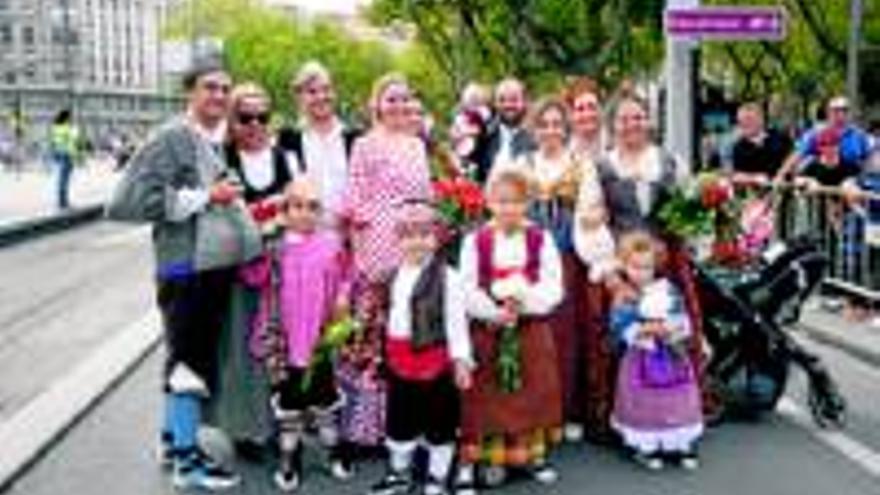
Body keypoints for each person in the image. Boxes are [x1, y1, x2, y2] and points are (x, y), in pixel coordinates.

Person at [105, 59, 243, 491]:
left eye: (225, 89)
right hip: (185, 267)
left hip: (208, 266)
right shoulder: (172, 137)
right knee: (188, 366)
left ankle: (172, 442)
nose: (219, 96)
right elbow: (127, 202)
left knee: (183, 358)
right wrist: (207, 196)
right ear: (190, 92)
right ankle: (189, 465)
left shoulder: (210, 139)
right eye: (209, 87)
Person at [575, 95, 710, 441]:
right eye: (624, 119)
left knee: (674, 336)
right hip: (622, 266)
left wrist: (689, 234)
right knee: (624, 340)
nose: (632, 125)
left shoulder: (670, 162)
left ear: (649, 121)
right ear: (613, 125)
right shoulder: (600, 167)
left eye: (638, 117)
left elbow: (693, 209)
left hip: (667, 266)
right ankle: (621, 417)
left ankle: (675, 416)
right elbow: (588, 220)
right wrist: (609, 273)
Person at [337, 73, 434, 471]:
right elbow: (353, 198)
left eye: (403, 99)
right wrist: (365, 247)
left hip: (411, 248)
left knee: (406, 341)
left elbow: (426, 196)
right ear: (376, 104)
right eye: (389, 99)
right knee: (368, 346)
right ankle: (362, 433)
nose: (396, 106)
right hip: (374, 251)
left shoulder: (416, 144)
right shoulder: (364, 144)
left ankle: (402, 425)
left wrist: (426, 235)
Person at [240, 178, 352, 491]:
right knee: (289, 407)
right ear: (285, 210)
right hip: (285, 344)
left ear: (321, 212)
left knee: (324, 403)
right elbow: (251, 277)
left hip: (320, 342)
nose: (305, 213)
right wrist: (259, 241)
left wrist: (343, 297)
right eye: (298, 206)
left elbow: (346, 276)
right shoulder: (275, 247)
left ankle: (333, 451)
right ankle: (289, 458)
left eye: (313, 207)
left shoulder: (331, 244)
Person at [456, 169, 564, 493]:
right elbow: (467, 287)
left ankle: (532, 454)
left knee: (533, 389)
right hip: (490, 328)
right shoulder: (476, 240)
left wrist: (525, 302)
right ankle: (492, 457)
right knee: (491, 393)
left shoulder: (540, 239)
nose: (509, 208)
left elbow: (553, 284)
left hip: (530, 327)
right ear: (489, 202)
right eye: (502, 201)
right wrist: (493, 311)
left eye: (517, 201)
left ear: (527, 203)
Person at [208, 82, 290, 462]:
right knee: (241, 348)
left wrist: (282, 212)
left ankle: (278, 425)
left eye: (262, 117)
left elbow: (303, 204)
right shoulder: (218, 159)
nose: (255, 124)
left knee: (279, 346)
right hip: (237, 268)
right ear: (232, 120)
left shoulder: (287, 158)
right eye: (245, 117)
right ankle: (244, 428)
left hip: (281, 267)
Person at [368, 201, 474, 495]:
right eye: (409, 234)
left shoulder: (449, 278)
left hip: (436, 362)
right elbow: (386, 318)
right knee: (400, 420)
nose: (417, 241)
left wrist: (462, 360)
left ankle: (436, 478)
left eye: (424, 234)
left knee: (439, 423)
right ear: (398, 239)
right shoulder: (392, 276)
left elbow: (456, 323)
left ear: (436, 238)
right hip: (399, 360)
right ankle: (399, 474)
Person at [513, 97, 585, 442]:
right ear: (534, 128)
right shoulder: (519, 164)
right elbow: (499, 203)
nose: (551, 130)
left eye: (557, 124)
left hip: (569, 259)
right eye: (544, 124)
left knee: (566, 336)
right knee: (533, 337)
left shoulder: (580, 163)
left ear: (566, 127)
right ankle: (535, 412)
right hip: (531, 261)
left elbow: (593, 212)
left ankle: (567, 410)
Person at [608, 231, 703, 470]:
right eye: (635, 267)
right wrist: (640, 330)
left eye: (647, 267)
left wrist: (672, 329)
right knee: (644, 400)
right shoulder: (624, 294)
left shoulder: (667, 289)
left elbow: (682, 317)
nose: (641, 273)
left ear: (655, 266)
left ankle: (680, 443)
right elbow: (618, 325)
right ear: (625, 265)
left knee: (678, 398)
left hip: (671, 351)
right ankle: (646, 446)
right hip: (641, 354)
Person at [278, 61, 361, 224]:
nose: (321, 97)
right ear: (299, 97)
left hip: (348, 235)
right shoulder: (288, 138)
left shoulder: (354, 137)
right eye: (312, 92)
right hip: (306, 236)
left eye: (326, 89)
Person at [776, 96, 873, 182]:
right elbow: (797, 154)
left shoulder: (859, 135)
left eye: (845, 110)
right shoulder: (816, 133)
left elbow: (869, 159)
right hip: (821, 177)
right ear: (828, 112)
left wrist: (864, 179)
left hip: (850, 177)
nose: (841, 114)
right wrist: (780, 176)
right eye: (836, 110)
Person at [472, 78, 535, 184]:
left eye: (514, 100)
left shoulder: (537, 137)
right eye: (502, 100)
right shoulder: (485, 136)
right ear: (495, 104)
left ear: (525, 102)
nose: (508, 105)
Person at [729, 102, 792, 183]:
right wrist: (754, 178)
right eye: (741, 120)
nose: (745, 123)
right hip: (755, 189)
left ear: (761, 119)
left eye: (749, 119)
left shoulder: (780, 138)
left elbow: (792, 162)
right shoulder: (739, 147)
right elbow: (736, 175)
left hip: (784, 185)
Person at [566, 77, 606, 163]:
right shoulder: (563, 152)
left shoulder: (615, 146)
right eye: (580, 109)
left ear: (600, 109)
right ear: (572, 115)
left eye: (592, 107)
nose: (587, 114)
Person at [49, 108, 81, 209]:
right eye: (70, 117)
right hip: (67, 154)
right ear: (66, 118)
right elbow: (73, 141)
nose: (72, 118)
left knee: (60, 178)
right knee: (65, 179)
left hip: (58, 153)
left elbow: (53, 142)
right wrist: (75, 132)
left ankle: (61, 201)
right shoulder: (68, 128)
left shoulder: (55, 128)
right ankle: (64, 202)